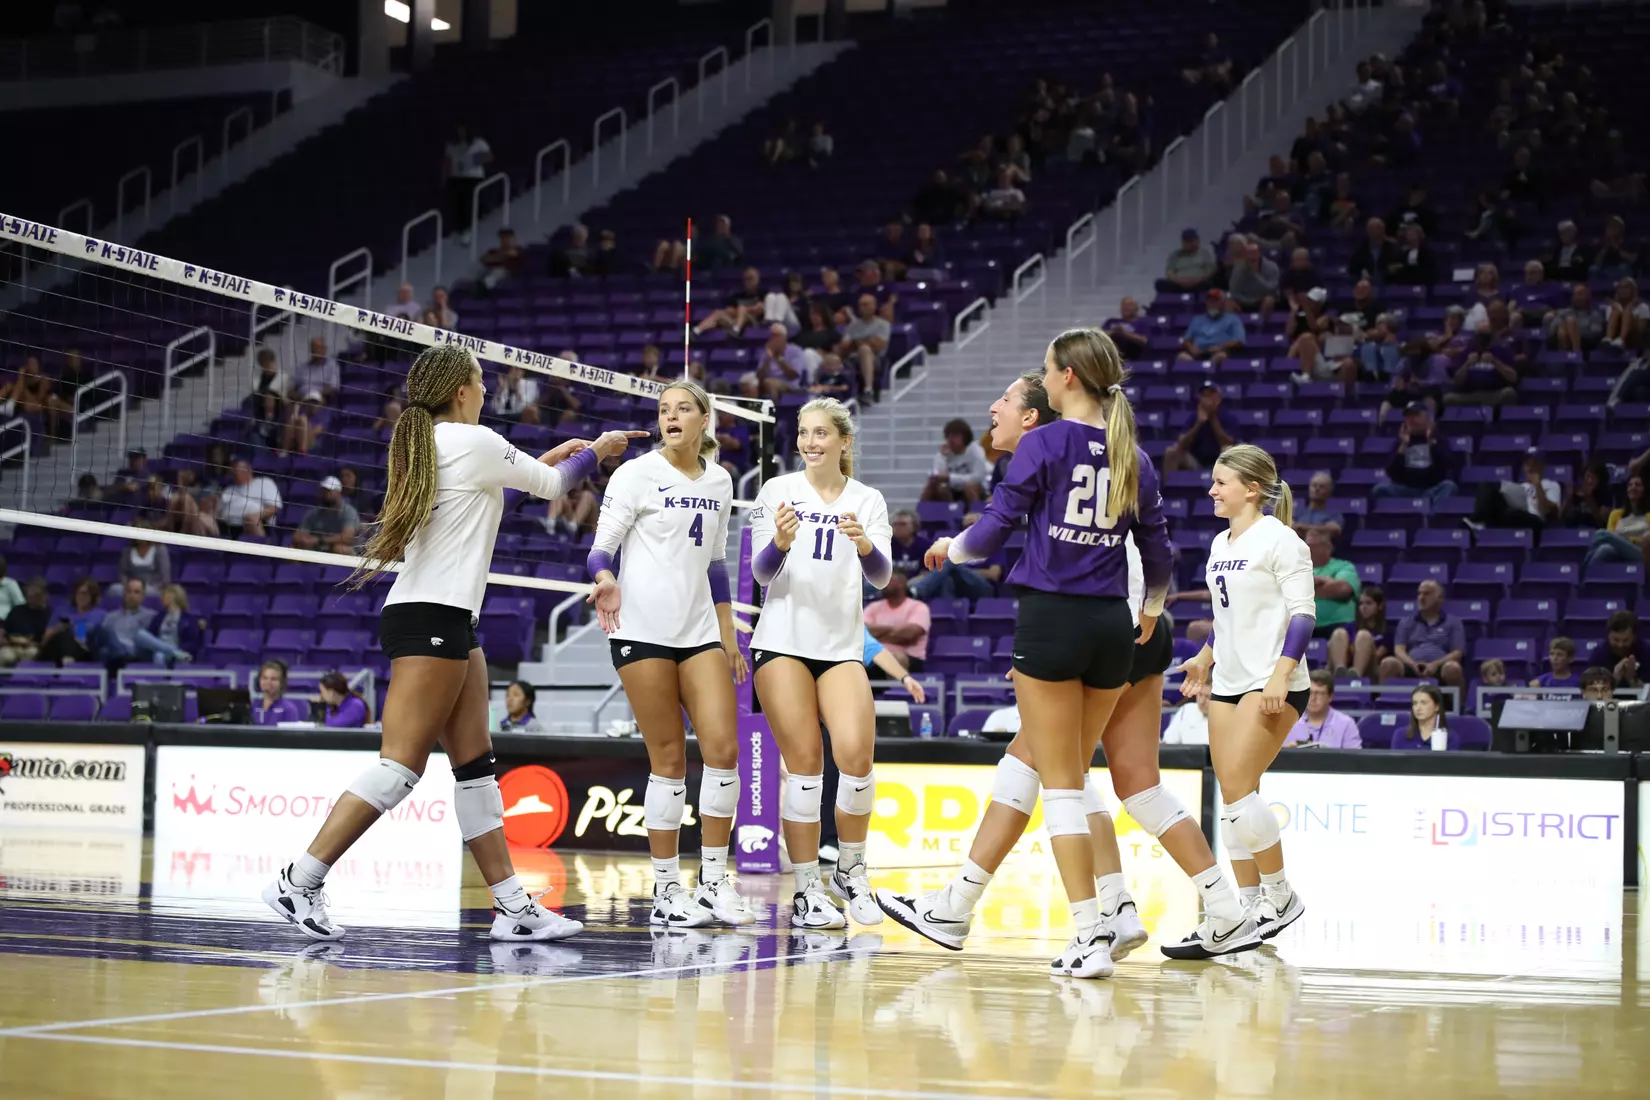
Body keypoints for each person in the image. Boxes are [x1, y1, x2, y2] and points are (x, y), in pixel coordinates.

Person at [876, 367, 1256, 970]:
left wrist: (1052, 643)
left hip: (1102, 627)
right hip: (1134, 630)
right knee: (1126, 784)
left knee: (1042, 771)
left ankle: (979, 907)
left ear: (1035, 414)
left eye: (1003, 398)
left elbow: (1009, 539)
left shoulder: (1048, 456)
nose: (992, 408)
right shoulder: (1109, 456)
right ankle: (1196, 905)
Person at [263, 344, 643, 943]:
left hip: (445, 618)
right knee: (399, 769)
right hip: (429, 617)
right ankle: (299, 879)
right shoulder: (473, 441)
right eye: (482, 382)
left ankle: (514, 908)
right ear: (461, 391)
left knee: (475, 769)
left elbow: (497, 498)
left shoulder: (436, 446)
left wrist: (549, 461)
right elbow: (551, 487)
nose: (488, 391)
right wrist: (598, 451)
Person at [915, 328, 1180, 979]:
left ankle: (1089, 933)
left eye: (1043, 366)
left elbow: (995, 531)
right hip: (1114, 627)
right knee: (1065, 775)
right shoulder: (1133, 457)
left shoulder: (1044, 442)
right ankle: (1107, 913)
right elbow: (1161, 554)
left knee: (1061, 784)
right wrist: (1149, 612)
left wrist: (952, 550)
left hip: (1052, 619)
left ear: (1065, 378)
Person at [586, 380, 757, 929]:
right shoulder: (635, 473)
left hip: (700, 629)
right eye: (663, 410)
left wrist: (729, 634)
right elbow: (600, 548)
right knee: (668, 759)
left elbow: (715, 562)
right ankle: (664, 890)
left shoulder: (721, 480)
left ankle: (712, 883)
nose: (671, 417)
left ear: (705, 419)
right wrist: (605, 578)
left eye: (683, 408)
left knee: (724, 750)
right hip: (640, 629)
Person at [749, 398, 892, 930]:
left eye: (821, 434)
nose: (810, 442)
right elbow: (762, 576)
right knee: (806, 765)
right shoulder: (776, 491)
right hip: (782, 640)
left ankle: (851, 870)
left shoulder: (867, 499)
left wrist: (864, 547)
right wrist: (781, 543)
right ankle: (809, 888)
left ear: (844, 441)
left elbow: (880, 576)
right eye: (804, 434)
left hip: (840, 646)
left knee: (856, 756)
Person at [1174, 443, 1313, 945]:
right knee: (1234, 799)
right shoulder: (1220, 544)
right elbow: (1226, 619)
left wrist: (1282, 674)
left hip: (1272, 683)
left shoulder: (1283, 542)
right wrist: (1204, 657)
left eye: (1220, 482)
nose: (1211, 490)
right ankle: (1250, 908)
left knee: (1236, 791)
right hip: (1229, 682)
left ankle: (1279, 895)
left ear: (1251, 489)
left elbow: (1303, 615)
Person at [1382, 580, 1466, 688]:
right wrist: (1413, 664)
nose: (1421, 598)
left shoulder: (1453, 622)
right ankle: (1386, 703)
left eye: (1426, 594)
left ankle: (1458, 704)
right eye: (1419, 593)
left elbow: (1457, 653)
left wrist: (1435, 665)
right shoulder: (1406, 621)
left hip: (1440, 666)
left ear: (1440, 597)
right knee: (1388, 663)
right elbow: (1399, 649)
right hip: (1411, 665)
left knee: (1453, 667)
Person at [862, 569, 929, 674]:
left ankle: (898, 690)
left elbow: (908, 635)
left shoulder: (918, 607)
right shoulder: (873, 607)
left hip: (909, 658)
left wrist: (877, 637)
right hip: (875, 656)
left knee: (896, 658)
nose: (884, 584)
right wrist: (893, 630)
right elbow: (862, 632)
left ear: (902, 583)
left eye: (889, 580)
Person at [921, 418, 991, 504]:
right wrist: (943, 457)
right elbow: (937, 475)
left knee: (970, 486)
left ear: (965, 436)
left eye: (954, 435)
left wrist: (950, 478)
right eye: (948, 436)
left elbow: (977, 477)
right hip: (952, 490)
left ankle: (975, 514)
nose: (950, 439)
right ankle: (927, 514)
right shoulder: (944, 452)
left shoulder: (975, 451)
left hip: (975, 490)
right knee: (934, 485)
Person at [1285, 670, 1361, 747]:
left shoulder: (1346, 724)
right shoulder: (1290, 722)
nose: (1313, 698)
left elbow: (1355, 758)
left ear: (1330, 696)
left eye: (1319, 693)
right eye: (1309, 693)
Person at [1393, 684, 1450, 749]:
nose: (1418, 708)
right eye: (1415, 703)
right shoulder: (1400, 735)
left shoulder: (1450, 738)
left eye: (1424, 703)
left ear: (1437, 706)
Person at [253, 659, 309, 725]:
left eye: (273, 679)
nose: (268, 682)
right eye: (264, 678)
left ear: (282, 682)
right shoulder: (254, 705)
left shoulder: (289, 709)